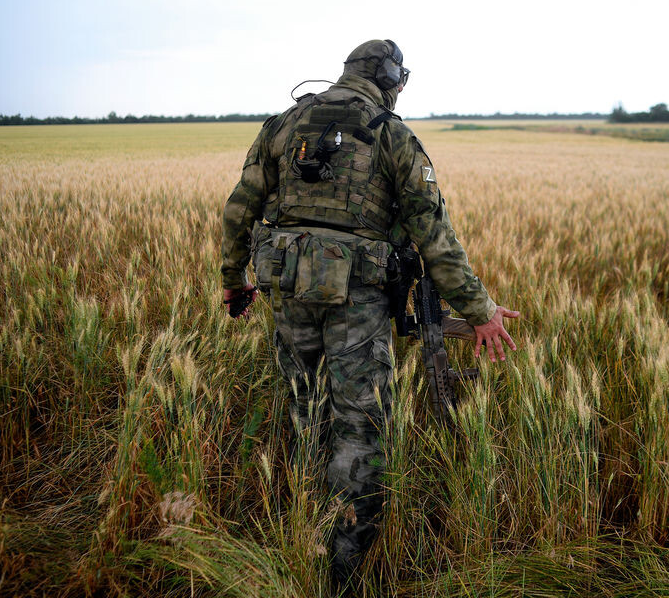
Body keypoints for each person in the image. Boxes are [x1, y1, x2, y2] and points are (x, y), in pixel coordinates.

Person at [220, 39, 519, 593]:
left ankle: (301, 534)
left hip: (285, 285)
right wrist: (479, 310)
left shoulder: (283, 125)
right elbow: (434, 234)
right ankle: (344, 569)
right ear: (388, 78)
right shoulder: (391, 134)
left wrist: (233, 278)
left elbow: (241, 207)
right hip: (355, 297)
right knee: (360, 426)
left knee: (304, 408)